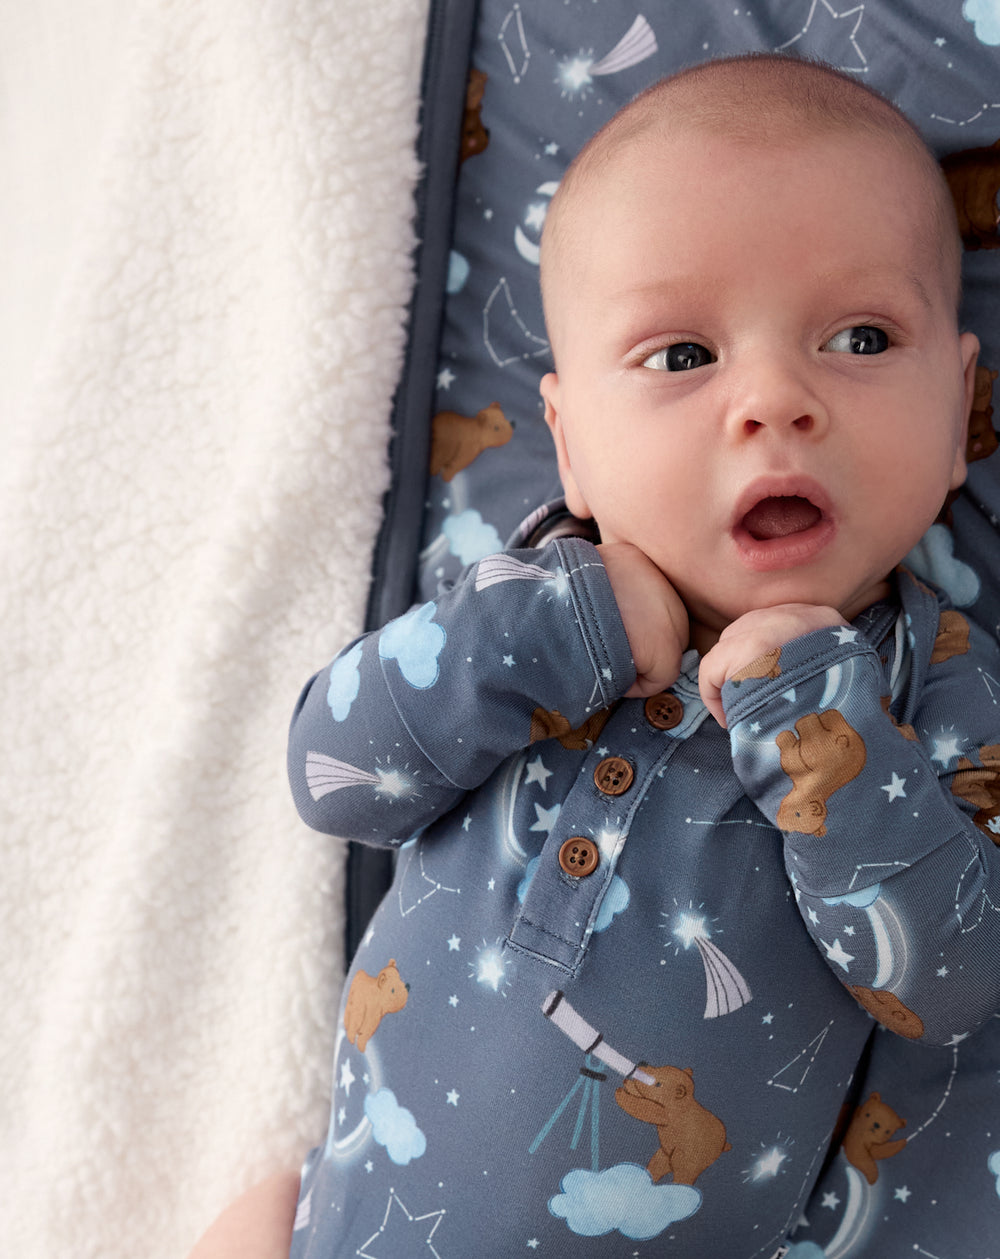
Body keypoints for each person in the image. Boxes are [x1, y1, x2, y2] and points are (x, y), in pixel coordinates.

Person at [186, 53, 1000, 1259]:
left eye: (861, 335)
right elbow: (333, 777)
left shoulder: (929, 683)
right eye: (682, 357)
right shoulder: (514, 600)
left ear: (959, 416)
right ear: (569, 444)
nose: (774, 400)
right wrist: (534, 631)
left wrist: (819, 735)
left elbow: (943, 982)